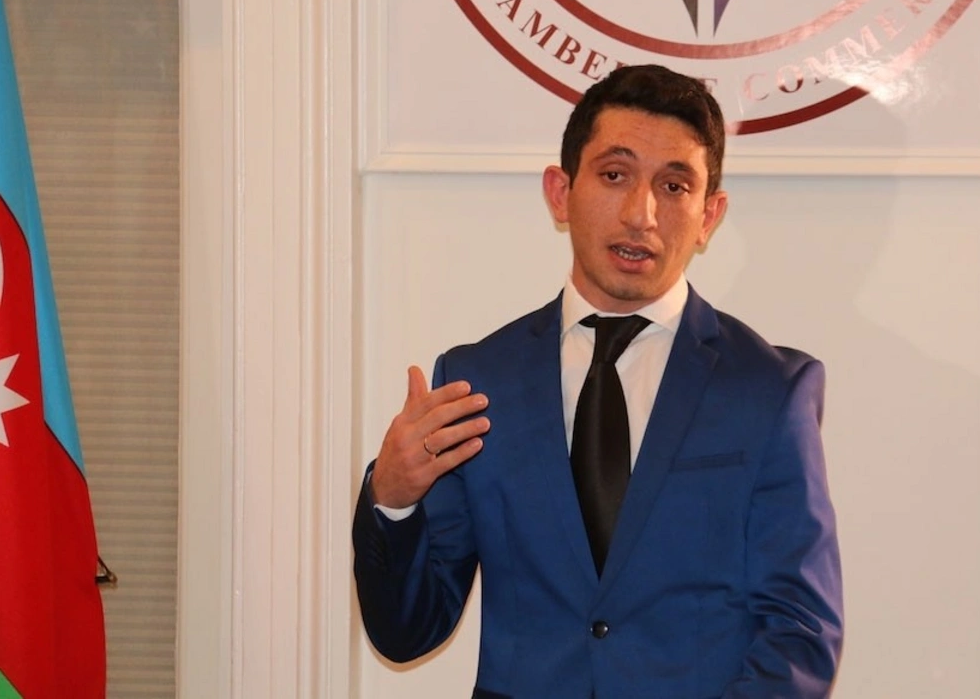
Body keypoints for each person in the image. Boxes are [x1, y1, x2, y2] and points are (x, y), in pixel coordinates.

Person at [353, 64, 843, 698]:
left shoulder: (770, 390)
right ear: (561, 193)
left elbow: (800, 634)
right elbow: (407, 631)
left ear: (709, 215)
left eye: (674, 186)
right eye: (615, 176)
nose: (641, 214)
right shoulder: (478, 382)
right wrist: (393, 499)